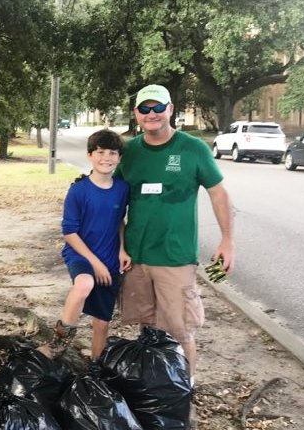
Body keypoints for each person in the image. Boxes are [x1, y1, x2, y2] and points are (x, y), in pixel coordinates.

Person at [115, 84, 234, 382]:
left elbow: (219, 194)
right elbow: (113, 203)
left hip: (175, 257)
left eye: (158, 107)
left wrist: (227, 241)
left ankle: (184, 388)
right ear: (136, 114)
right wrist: (119, 246)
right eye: (145, 108)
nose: (152, 114)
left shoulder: (192, 148)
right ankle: (156, 388)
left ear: (170, 110)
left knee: (180, 329)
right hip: (137, 257)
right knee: (148, 326)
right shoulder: (128, 152)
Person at [39, 129, 130, 361]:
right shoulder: (79, 190)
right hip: (81, 255)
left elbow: (119, 220)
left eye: (112, 153)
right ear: (90, 155)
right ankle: (60, 342)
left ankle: (96, 368)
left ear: (119, 158)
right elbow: (69, 232)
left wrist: (121, 249)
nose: (106, 158)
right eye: (100, 152)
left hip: (109, 259)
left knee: (102, 323)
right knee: (83, 284)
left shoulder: (122, 189)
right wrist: (95, 264)